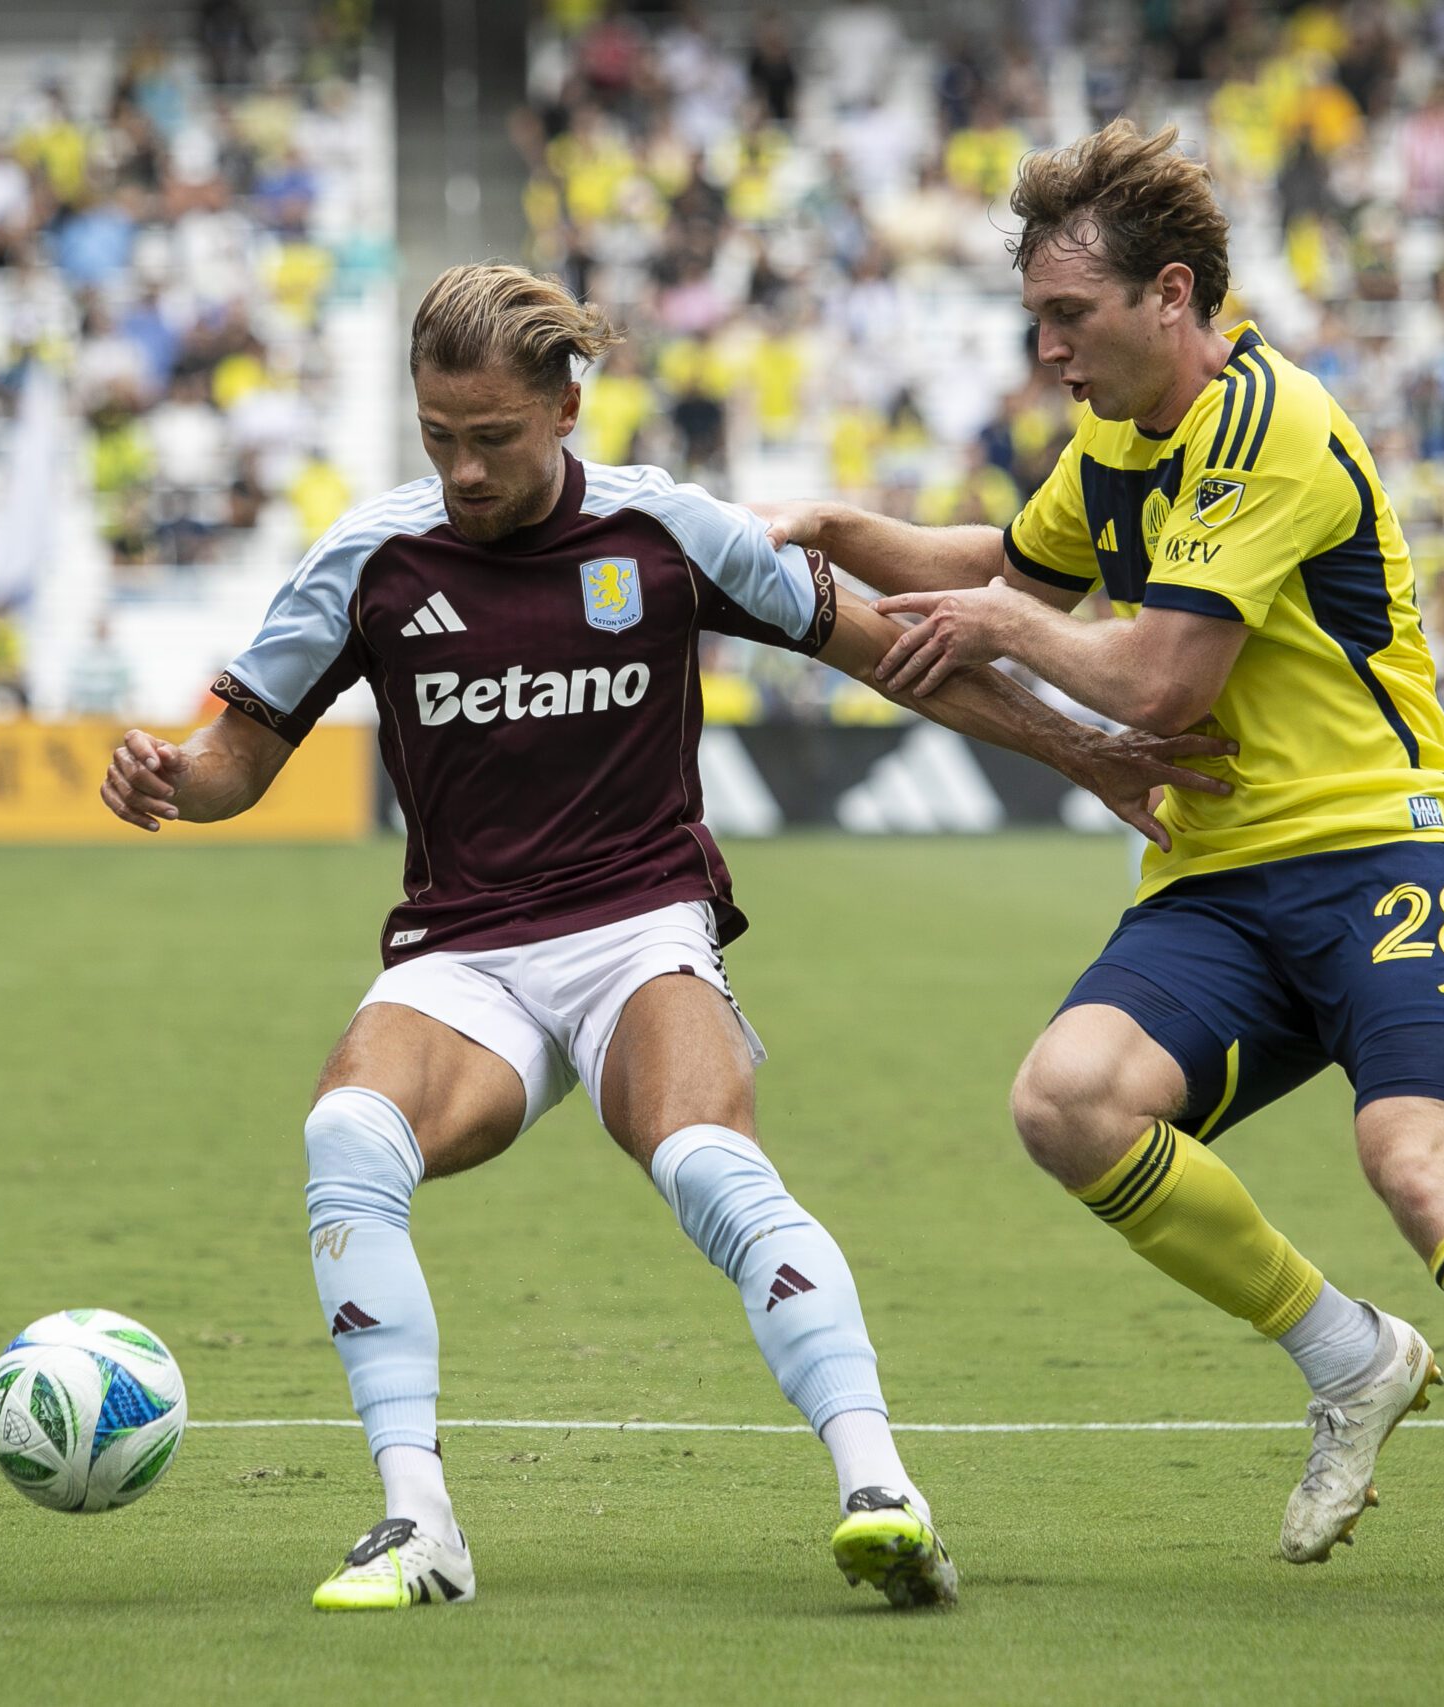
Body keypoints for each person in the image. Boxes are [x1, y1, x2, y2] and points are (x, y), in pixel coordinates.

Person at [96, 264, 1225, 1614]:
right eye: (439, 437)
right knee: (345, 1137)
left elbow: (890, 651)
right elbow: (238, 758)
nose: (464, 469)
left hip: (639, 929)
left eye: (494, 438)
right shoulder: (370, 559)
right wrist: (174, 777)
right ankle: (419, 1522)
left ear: (567, 406)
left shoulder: (670, 530)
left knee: (702, 1156)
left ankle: (883, 1490)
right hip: (461, 957)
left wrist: (1088, 750)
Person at [757, 120, 1444, 1625]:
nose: (1049, 349)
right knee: (1068, 1097)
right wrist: (851, 531)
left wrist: (990, 625)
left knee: (1421, 1164)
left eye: (1073, 316)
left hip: (1389, 846)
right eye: (1038, 318)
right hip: (1224, 869)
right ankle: (1349, 1355)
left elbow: (1156, 678)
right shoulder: (1119, 430)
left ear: (1172, 295)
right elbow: (1025, 565)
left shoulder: (1272, 427)